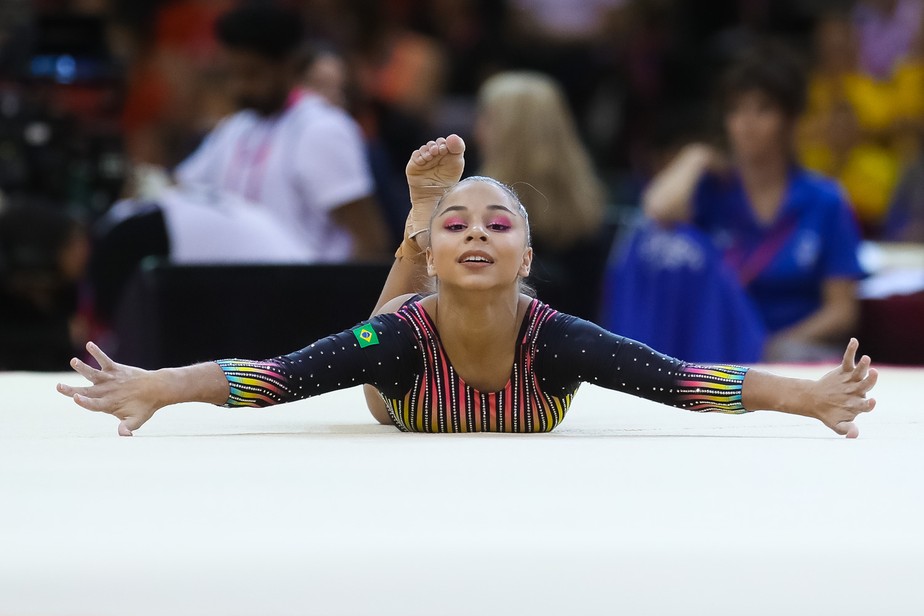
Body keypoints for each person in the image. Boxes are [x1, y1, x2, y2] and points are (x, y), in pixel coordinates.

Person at [57, 135, 878, 439]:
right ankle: (413, 224)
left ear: (528, 257)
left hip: (454, 346)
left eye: (497, 224)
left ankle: (421, 214)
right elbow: (273, 378)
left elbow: (682, 380)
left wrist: (807, 399)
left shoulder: (558, 338)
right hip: (406, 377)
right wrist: (160, 385)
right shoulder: (402, 337)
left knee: (391, 329)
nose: (479, 232)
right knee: (379, 337)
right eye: (458, 225)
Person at [643, 42, 865, 362]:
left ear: (789, 121)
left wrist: (772, 346)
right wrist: (696, 155)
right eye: (735, 110)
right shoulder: (711, 192)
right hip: (716, 350)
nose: (746, 123)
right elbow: (657, 210)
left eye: (763, 109)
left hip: (790, 354)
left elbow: (842, 311)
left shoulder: (825, 200)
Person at [174, 4, 388, 261]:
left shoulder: (321, 128)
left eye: (251, 74)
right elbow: (181, 190)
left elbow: (369, 240)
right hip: (241, 288)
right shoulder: (235, 128)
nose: (238, 87)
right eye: (232, 74)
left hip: (307, 291)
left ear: (290, 65)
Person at [474, 71, 609, 319]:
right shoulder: (588, 203)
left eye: (487, 118)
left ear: (508, 132)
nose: (477, 130)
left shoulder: (473, 202)